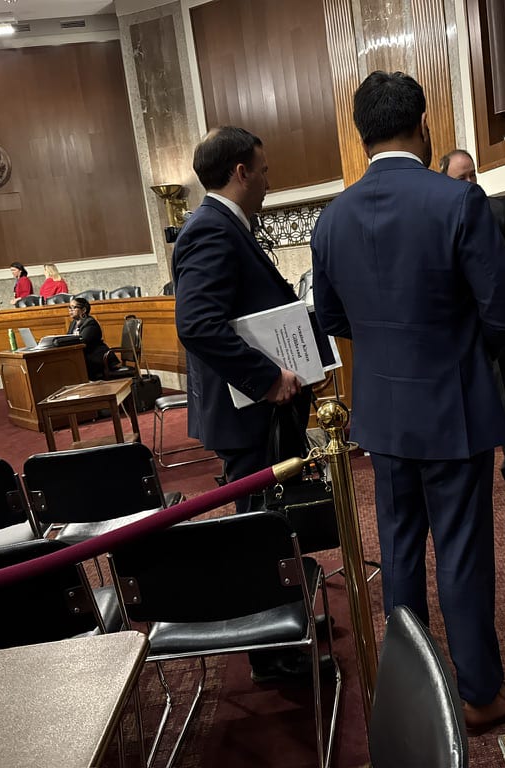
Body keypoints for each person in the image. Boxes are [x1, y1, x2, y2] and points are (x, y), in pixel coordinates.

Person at [310, 70, 505, 734]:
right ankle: (477, 691)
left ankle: (410, 686)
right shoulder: (457, 201)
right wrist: (459, 350)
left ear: (362, 135)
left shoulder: (331, 218)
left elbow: (333, 316)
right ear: (422, 127)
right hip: (457, 406)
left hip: (381, 413)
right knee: (463, 552)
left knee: (400, 549)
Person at [171, 126, 315, 685]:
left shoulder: (225, 225)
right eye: (264, 167)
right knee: (259, 529)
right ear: (240, 171)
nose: (268, 178)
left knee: (272, 524)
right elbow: (197, 324)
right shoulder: (210, 229)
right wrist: (267, 379)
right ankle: (271, 655)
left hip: (256, 410)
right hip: (249, 410)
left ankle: (285, 623)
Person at [440, 149, 505, 504]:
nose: (469, 183)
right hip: (458, 330)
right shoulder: (439, 217)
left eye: (472, 175)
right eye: (460, 178)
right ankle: (466, 472)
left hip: (500, 329)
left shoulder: (499, 210)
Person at [67, 296, 117, 380]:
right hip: (85, 356)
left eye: (74, 307)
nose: (70, 310)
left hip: (96, 358)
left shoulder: (90, 322)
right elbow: (68, 338)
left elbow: (83, 341)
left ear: (83, 310)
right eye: (69, 307)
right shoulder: (73, 324)